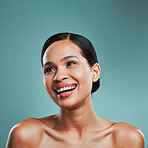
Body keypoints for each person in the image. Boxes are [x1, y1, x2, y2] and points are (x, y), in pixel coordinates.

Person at [6, 33, 145, 148]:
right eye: (50, 69)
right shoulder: (26, 135)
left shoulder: (126, 139)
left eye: (70, 63)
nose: (59, 77)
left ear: (95, 72)